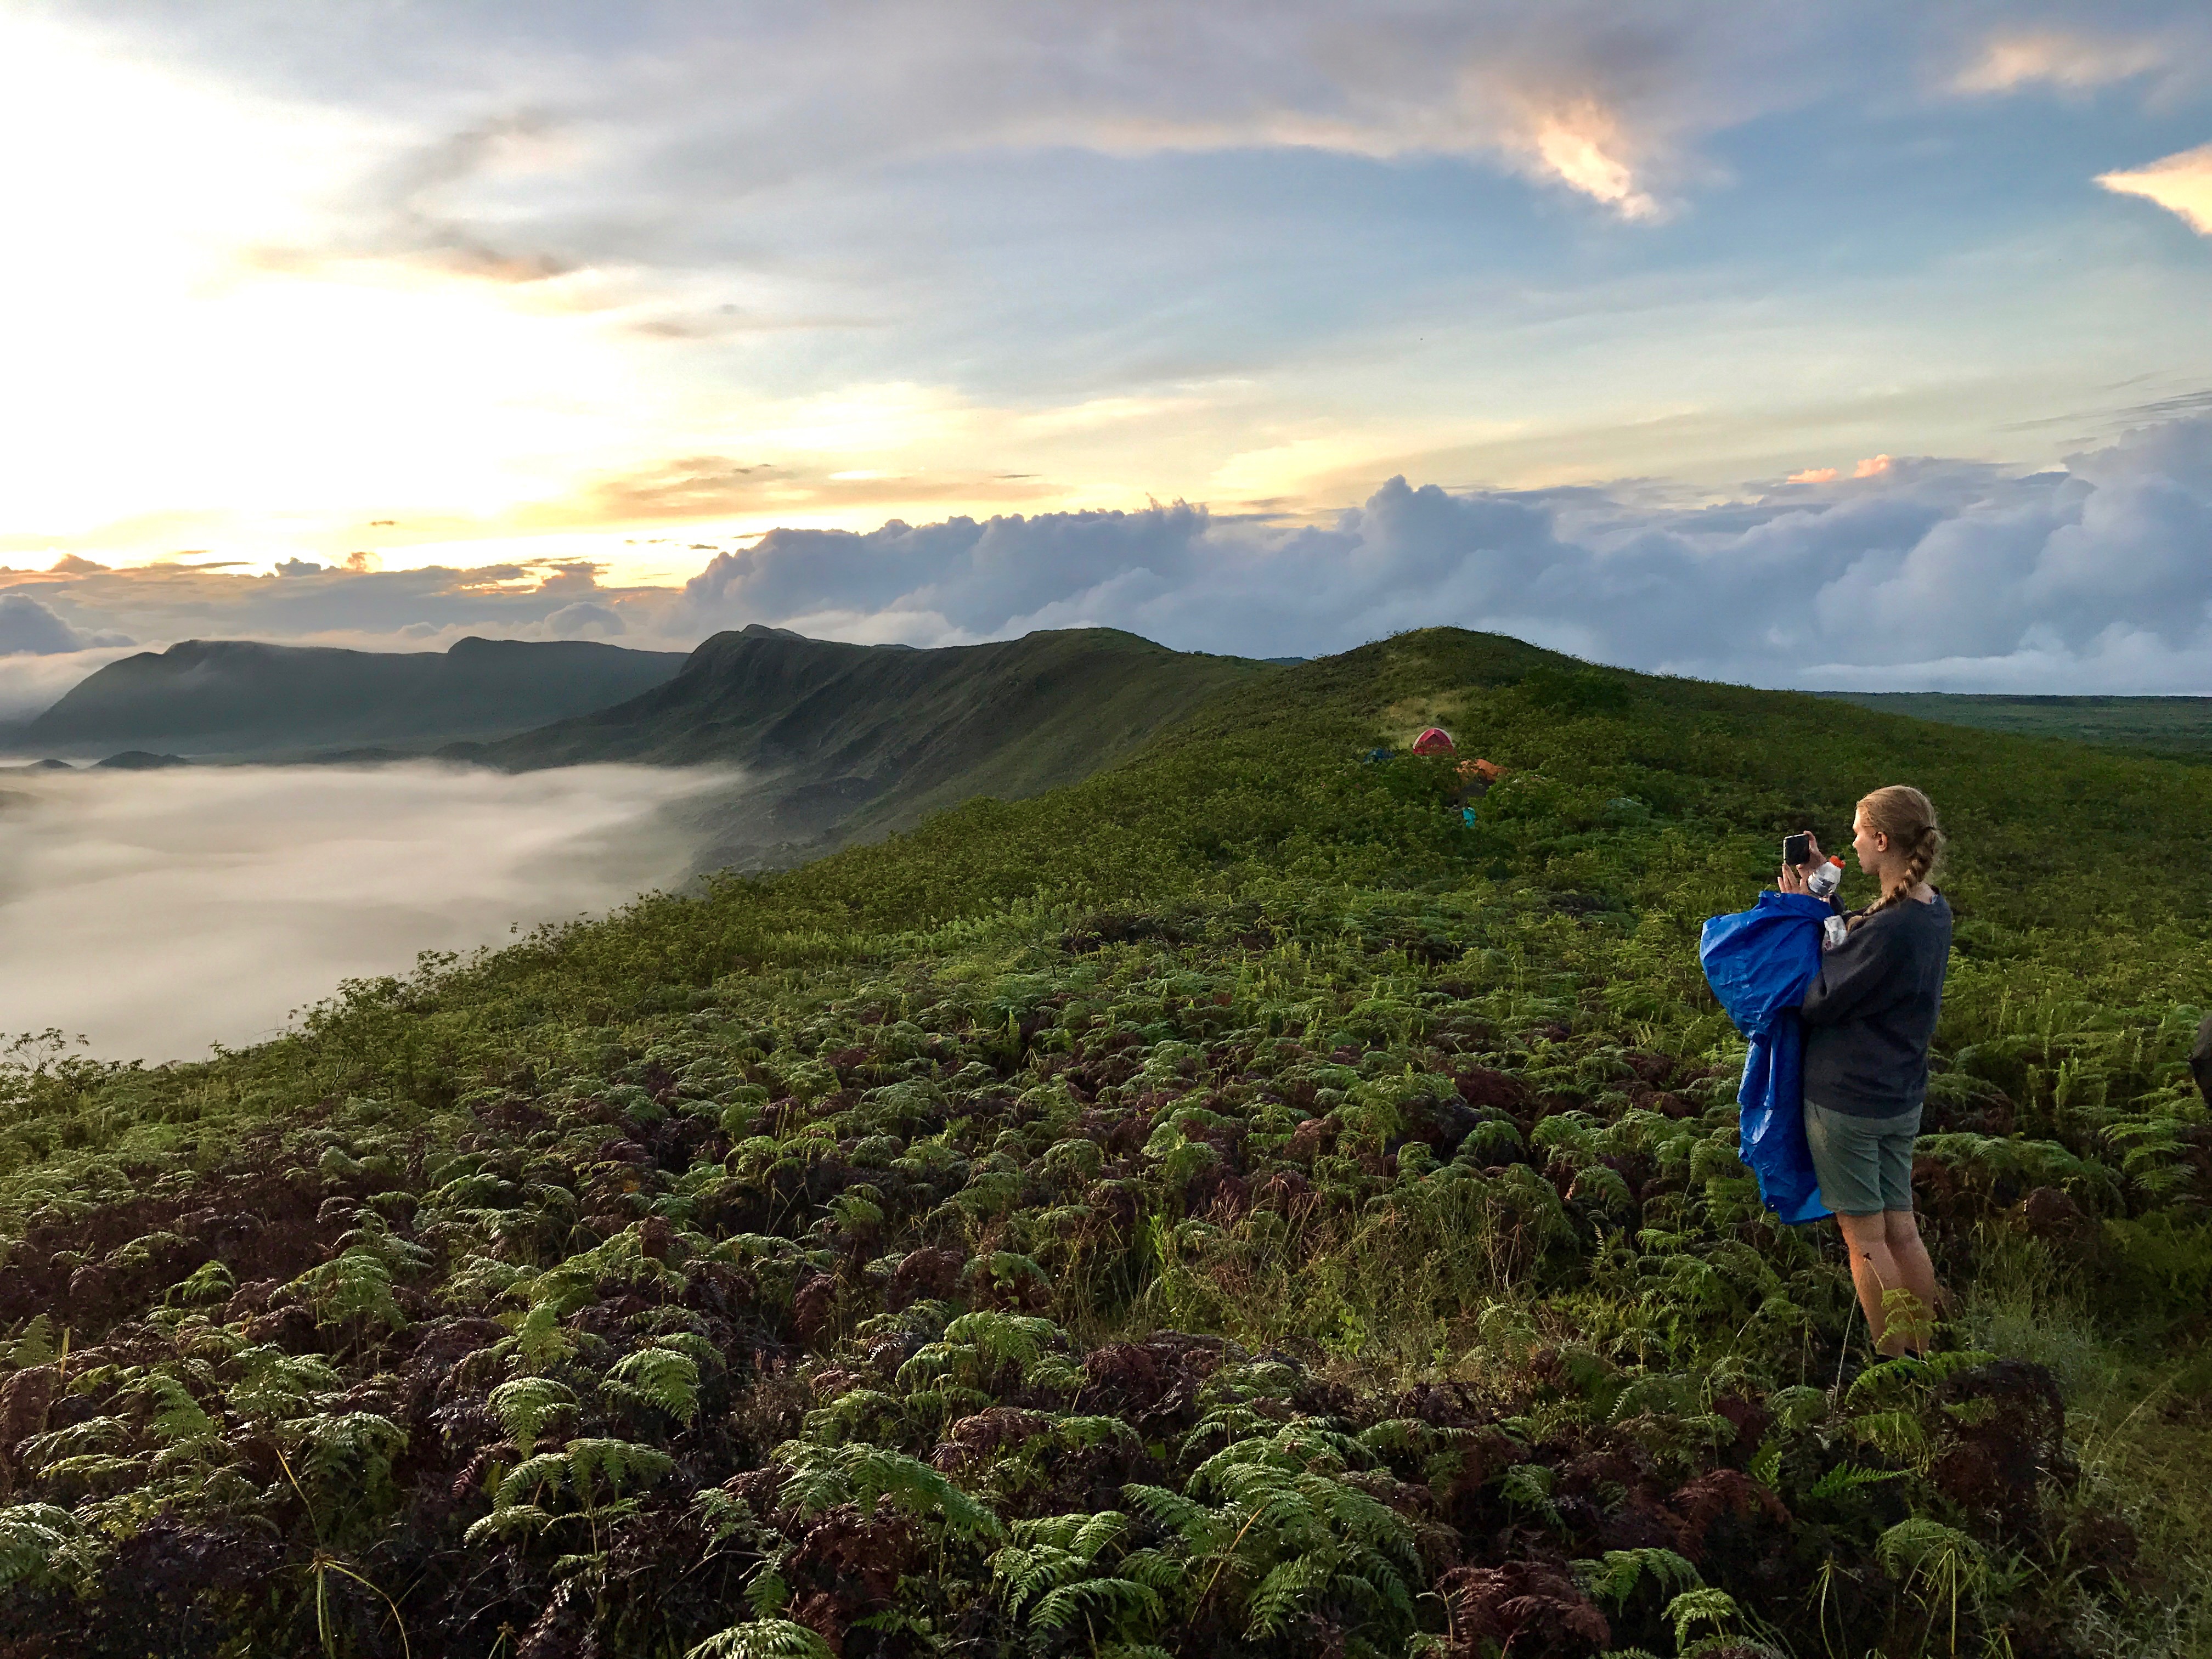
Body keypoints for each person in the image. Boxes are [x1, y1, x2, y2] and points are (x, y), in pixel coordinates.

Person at [1777, 786, 1951, 1358]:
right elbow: (1861, 950)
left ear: (1882, 840)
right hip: (1898, 1094)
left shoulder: (1891, 927)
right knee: (1902, 1230)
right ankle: (1920, 1352)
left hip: (1848, 1101)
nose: (1850, 843)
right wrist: (1825, 903)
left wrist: (1799, 917)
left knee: (1866, 1241)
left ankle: (1890, 1362)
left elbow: (1819, 998)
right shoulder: (1930, 909)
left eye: (1858, 833)